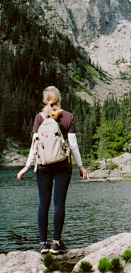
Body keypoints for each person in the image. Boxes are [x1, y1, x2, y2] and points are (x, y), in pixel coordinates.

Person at [17, 86, 89, 254]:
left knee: (43, 203)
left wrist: (27, 166)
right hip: (63, 165)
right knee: (59, 203)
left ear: (44, 101)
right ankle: (56, 243)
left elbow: (35, 145)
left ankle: (43, 244)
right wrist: (80, 166)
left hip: (43, 165)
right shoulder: (68, 117)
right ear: (60, 100)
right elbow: (73, 145)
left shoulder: (39, 117)